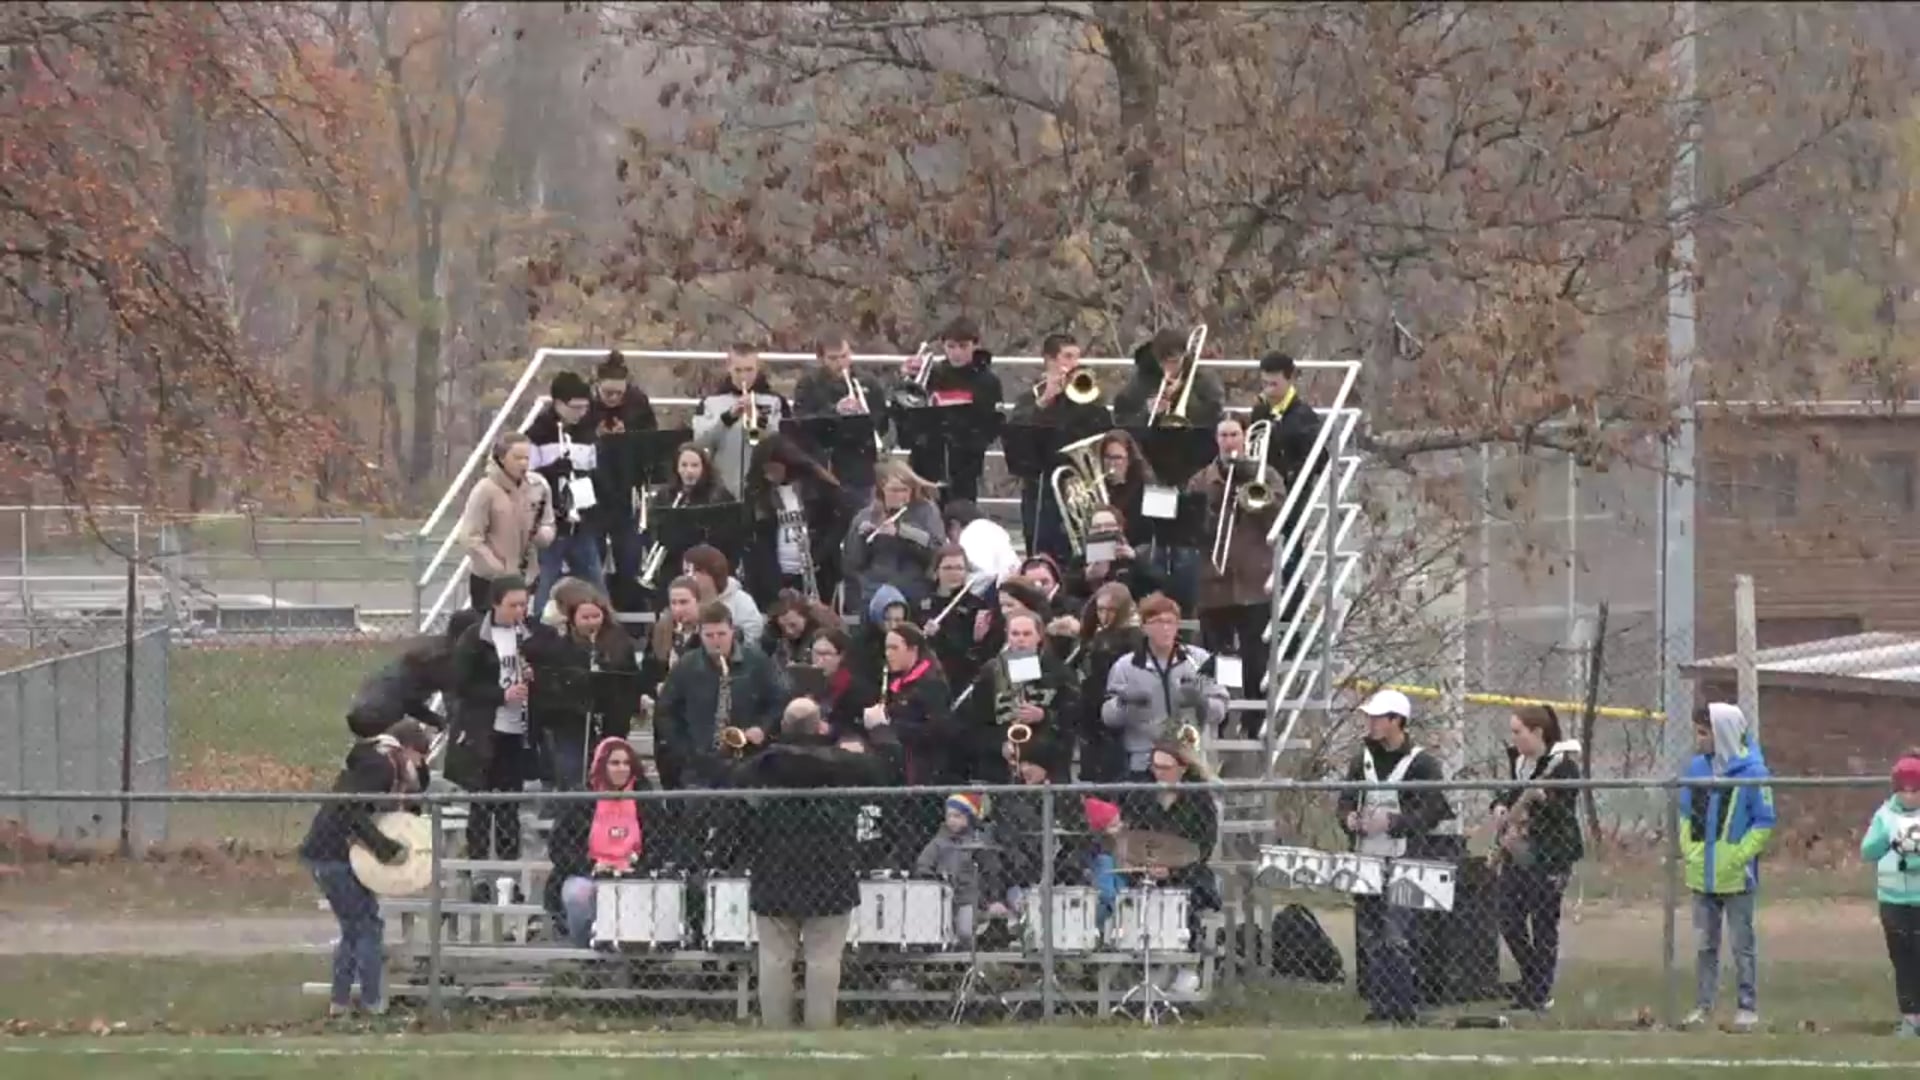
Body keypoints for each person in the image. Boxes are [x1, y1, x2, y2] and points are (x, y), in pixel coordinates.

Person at [726, 697, 897, 1029]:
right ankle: (819, 1027)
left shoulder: (762, 765)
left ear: (784, 727)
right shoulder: (843, 763)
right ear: (820, 726)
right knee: (824, 958)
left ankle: (776, 1028)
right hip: (831, 870)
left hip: (773, 867)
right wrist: (881, 731)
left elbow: (731, 787)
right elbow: (886, 770)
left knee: (774, 958)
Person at [1336, 689, 1455, 1026]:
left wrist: (1394, 822)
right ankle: (1380, 1003)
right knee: (1371, 934)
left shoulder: (1422, 763)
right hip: (1367, 858)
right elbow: (1346, 800)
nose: (1371, 723)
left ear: (1396, 721)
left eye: (1378, 718)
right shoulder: (1362, 759)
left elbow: (1433, 811)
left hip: (1405, 859)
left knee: (1397, 933)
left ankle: (1404, 1006)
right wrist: (1349, 819)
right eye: (1370, 717)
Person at [298, 720, 432, 1018]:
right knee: (367, 926)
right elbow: (352, 810)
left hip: (330, 852)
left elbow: (401, 806)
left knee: (354, 927)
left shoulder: (377, 762)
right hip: (332, 853)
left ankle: (341, 1001)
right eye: (419, 759)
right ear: (408, 749)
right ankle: (372, 1002)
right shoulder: (381, 767)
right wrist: (383, 847)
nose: (418, 766)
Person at [1681, 702, 1776, 1032]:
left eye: (1705, 732)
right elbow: (1684, 817)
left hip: (1737, 878)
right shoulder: (1695, 770)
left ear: (1722, 733)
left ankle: (1747, 1006)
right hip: (1701, 876)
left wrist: (1738, 857)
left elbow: (1763, 823)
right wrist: (1690, 852)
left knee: (1742, 944)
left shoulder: (1754, 773)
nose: (1699, 739)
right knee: (1705, 944)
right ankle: (1703, 1005)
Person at [1491, 705, 1585, 1013]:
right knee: (1507, 919)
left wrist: (1542, 801)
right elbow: (1506, 795)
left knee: (1544, 925)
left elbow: (1563, 813)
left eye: (1518, 731)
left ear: (1538, 733)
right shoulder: (1519, 764)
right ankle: (1533, 980)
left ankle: (1540, 992)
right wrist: (1501, 808)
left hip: (1550, 856)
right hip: (1517, 855)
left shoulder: (1564, 767)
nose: (1514, 738)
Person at [1189, 417, 1280, 731]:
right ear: (1216, 440)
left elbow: (1280, 519)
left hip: (1255, 584)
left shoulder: (1265, 474)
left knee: (1256, 658)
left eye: (1235, 435)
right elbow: (1191, 527)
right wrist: (1215, 506)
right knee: (1220, 657)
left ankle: (1255, 720)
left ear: (1245, 438)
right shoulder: (1202, 480)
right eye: (1224, 435)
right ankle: (1221, 718)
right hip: (1214, 585)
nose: (1230, 441)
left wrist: (1253, 493)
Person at [445, 577, 539, 872]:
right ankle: (479, 870)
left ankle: (509, 872)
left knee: (510, 804)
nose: (519, 611)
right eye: (513, 605)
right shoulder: (476, 638)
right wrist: (501, 694)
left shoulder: (530, 635)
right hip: (486, 731)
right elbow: (459, 685)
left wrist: (535, 676)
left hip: (518, 731)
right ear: (496, 604)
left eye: (523, 604)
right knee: (482, 803)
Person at [1120, 740, 1220, 994]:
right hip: (1146, 871)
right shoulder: (1141, 795)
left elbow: (1203, 847)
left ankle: (1186, 963)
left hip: (1187, 872)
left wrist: (1172, 869)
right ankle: (1146, 965)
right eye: (1155, 767)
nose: (1158, 773)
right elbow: (1131, 835)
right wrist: (1141, 862)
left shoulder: (1199, 800)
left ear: (1183, 768)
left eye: (1165, 768)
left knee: (1190, 891)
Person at [653, 601, 784, 790]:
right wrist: (685, 751)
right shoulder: (687, 665)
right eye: (709, 635)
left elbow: (778, 701)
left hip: (748, 762)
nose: (716, 641)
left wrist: (762, 728)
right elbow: (665, 711)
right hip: (698, 766)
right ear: (700, 635)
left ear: (732, 631)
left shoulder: (757, 662)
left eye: (721, 634)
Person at [1008, 332, 1113, 563]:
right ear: (1049, 360)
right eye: (1067, 357)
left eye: (1076, 357)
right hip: (1043, 492)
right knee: (1044, 556)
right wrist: (1044, 402)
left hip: (1081, 488)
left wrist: (1090, 402)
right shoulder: (1029, 400)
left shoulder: (1087, 397)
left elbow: (1106, 432)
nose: (1074, 364)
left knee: (1092, 553)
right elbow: (1016, 446)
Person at [1100, 593, 1228, 776]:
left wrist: (1202, 703)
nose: (1165, 628)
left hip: (1191, 758)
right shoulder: (1126, 666)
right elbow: (1108, 717)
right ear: (1144, 627)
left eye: (1170, 622)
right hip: (1143, 760)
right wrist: (1126, 704)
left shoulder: (1199, 660)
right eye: (1157, 622)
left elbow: (1221, 708)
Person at [525, 586, 638, 791]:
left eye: (596, 616)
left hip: (609, 715)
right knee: (572, 769)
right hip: (570, 717)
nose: (592, 622)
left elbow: (628, 677)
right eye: (585, 617)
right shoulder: (559, 642)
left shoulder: (618, 640)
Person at [549, 736, 648, 949]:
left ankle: (640, 963)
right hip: (587, 873)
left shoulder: (646, 799)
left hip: (634, 874)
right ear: (602, 765)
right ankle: (589, 954)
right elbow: (558, 848)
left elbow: (661, 842)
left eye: (626, 763)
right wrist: (592, 865)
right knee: (578, 895)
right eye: (614, 763)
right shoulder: (581, 799)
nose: (622, 769)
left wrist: (638, 862)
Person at [527, 371, 605, 615]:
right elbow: (529, 479)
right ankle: (538, 631)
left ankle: (603, 627)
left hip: (582, 521)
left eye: (585, 407)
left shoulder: (587, 432)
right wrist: (552, 471)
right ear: (559, 403)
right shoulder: (537, 434)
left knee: (594, 583)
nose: (581, 413)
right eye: (575, 407)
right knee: (546, 582)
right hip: (552, 523)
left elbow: (597, 471)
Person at [585, 351, 660, 605]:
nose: (614, 399)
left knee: (629, 554)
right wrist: (597, 437)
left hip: (627, 486)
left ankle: (630, 611)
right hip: (592, 488)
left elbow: (651, 440)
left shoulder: (638, 402)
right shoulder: (585, 403)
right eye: (608, 394)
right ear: (597, 387)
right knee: (592, 556)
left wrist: (627, 436)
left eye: (619, 393)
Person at [904, 316, 1002, 507]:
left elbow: (993, 423)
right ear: (943, 345)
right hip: (928, 460)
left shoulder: (988, 380)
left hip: (965, 464)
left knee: (962, 516)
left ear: (975, 345)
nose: (956, 353)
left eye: (963, 346)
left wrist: (969, 433)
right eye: (951, 346)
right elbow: (909, 410)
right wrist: (905, 379)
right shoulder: (932, 373)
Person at [792, 332, 890, 517]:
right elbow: (802, 424)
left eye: (845, 356)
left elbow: (882, 423)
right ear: (820, 358)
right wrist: (834, 411)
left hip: (859, 466)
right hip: (821, 468)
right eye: (833, 358)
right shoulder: (808, 384)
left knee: (861, 521)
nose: (841, 363)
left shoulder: (868, 382)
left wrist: (865, 416)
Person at [740, 434, 843, 608]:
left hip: (816, 575)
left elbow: (838, 524)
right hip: (777, 576)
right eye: (764, 470)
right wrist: (775, 584)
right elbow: (756, 542)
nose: (768, 475)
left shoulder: (817, 487)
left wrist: (818, 556)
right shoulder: (757, 494)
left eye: (773, 469)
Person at [457, 433, 555, 611]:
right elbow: (470, 537)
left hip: (526, 576)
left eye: (527, 458)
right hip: (491, 581)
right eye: (517, 458)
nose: (524, 463)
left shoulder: (538, 486)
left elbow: (548, 522)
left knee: (522, 631)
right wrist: (498, 569)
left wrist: (542, 535)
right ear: (501, 458)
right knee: (488, 631)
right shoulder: (485, 490)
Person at [1860, 752, 1920, 1037]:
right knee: (1903, 959)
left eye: (1916, 789)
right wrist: (1889, 840)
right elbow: (1868, 850)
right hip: (1893, 900)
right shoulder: (1885, 816)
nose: (1909, 796)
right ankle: (1910, 1017)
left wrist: (1913, 853)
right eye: (1904, 789)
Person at [841, 461, 943, 617]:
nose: (901, 495)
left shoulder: (926, 512)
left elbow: (937, 550)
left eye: (905, 490)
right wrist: (862, 538)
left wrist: (903, 533)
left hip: (913, 592)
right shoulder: (866, 515)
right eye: (894, 490)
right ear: (882, 490)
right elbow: (852, 563)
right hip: (874, 593)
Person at [693, 342, 789, 498]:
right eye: (738, 370)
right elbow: (699, 443)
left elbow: (782, 444)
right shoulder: (710, 402)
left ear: (758, 367)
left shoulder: (775, 401)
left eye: (749, 370)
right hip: (722, 488)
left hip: (764, 488)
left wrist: (757, 421)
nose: (743, 376)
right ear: (728, 367)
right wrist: (728, 418)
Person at [1074, 583, 1143, 782]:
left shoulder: (1134, 638)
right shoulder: (1092, 636)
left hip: (1116, 714)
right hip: (1091, 713)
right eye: (1101, 609)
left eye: (1111, 610)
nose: (1104, 615)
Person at [915, 792, 1005, 943]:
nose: (952, 820)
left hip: (971, 902)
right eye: (949, 816)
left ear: (969, 817)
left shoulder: (979, 844)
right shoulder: (939, 842)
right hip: (941, 901)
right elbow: (923, 864)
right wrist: (933, 883)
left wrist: (993, 900)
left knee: (966, 932)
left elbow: (993, 874)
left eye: (957, 816)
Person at [1112, 327, 1225, 429]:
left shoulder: (1203, 376)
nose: (1169, 368)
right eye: (1163, 362)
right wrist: (1147, 412)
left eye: (1174, 362)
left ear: (1184, 357)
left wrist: (1181, 394)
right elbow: (1121, 418)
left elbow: (1215, 415)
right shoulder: (1144, 377)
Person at [345, 635, 454, 738]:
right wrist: (439, 721)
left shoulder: (407, 670)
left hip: (364, 712)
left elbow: (411, 705)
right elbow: (412, 706)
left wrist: (437, 721)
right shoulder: (415, 675)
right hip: (374, 715)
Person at [683, 543, 766, 646]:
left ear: (707, 572)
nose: (686, 578)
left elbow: (753, 637)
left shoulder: (741, 601)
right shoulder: (685, 600)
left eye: (689, 572)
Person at [808, 627, 877, 737]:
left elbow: (859, 727)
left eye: (826, 654)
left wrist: (831, 729)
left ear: (840, 656)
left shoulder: (856, 690)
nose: (820, 660)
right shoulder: (804, 682)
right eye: (816, 653)